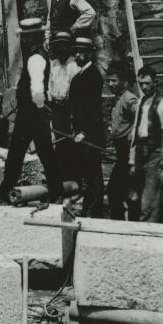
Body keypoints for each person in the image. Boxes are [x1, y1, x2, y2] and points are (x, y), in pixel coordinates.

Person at [0, 18, 62, 202]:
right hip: (34, 113)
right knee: (46, 154)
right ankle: (56, 193)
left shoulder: (35, 58)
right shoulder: (39, 54)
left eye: (25, 37)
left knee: (16, 155)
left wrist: (39, 109)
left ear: (31, 38)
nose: (23, 41)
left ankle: (3, 194)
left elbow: (37, 88)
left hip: (31, 113)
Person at [127, 63, 163, 223]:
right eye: (141, 83)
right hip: (141, 155)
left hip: (155, 157)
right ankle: (158, 232)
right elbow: (135, 130)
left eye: (147, 83)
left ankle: (150, 238)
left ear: (155, 82)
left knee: (148, 204)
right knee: (137, 199)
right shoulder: (141, 101)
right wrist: (132, 160)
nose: (143, 87)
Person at [66, 32, 108, 217]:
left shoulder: (93, 76)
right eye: (76, 52)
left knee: (93, 174)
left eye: (81, 52)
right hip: (80, 133)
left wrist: (84, 132)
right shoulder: (79, 76)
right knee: (86, 173)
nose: (77, 55)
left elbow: (93, 110)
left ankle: (95, 210)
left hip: (90, 134)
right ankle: (89, 207)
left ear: (89, 54)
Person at [104, 64, 138, 219]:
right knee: (127, 190)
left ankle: (127, 224)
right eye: (109, 81)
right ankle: (128, 222)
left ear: (124, 82)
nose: (110, 84)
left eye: (114, 81)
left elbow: (143, 119)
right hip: (121, 150)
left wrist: (133, 133)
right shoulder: (119, 99)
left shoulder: (129, 98)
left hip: (128, 151)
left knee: (114, 190)